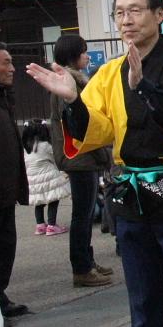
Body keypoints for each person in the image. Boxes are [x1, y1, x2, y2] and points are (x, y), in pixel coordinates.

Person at [27, 0, 163, 327]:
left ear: (160, 14)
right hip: (128, 191)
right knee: (143, 303)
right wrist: (73, 101)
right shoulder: (109, 72)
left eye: (135, 10)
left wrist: (144, 86)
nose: (126, 20)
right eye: (119, 12)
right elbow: (97, 132)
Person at [50, 34, 113, 287]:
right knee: (82, 214)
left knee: (86, 213)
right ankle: (82, 268)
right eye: (84, 52)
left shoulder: (75, 80)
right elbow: (77, 125)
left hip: (84, 157)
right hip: (79, 156)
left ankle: (87, 260)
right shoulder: (68, 83)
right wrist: (100, 152)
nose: (88, 56)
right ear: (72, 55)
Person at [0, 41, 30, 321]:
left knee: (5, 248)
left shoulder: (1, 97)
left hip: (6, 190)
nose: (12, 68)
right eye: (6, 62)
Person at [23, 119, 71, 236]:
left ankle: (40, 225)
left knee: (38, 203)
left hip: (33, 180)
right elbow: (56, 158)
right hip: (48, 177)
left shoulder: (26, 148)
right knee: (53, 200)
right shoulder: (45, 146)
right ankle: (51, 225)